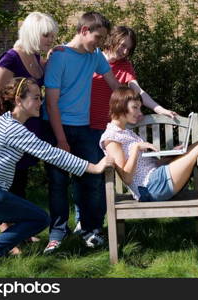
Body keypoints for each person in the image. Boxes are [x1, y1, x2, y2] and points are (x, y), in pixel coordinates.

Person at [0, 77, 113, 273]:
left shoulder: (4, 122)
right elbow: (51, 154)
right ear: (19, 101)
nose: (41, 102)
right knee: (40, 219)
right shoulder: (12, 129)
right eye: (37, 98)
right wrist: (94, 167)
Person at [72, 26, 178, 241]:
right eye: (123, 45)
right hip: (86, 124)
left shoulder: (125, 66)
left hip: (110, 128)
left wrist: (159, 109)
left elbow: (137, 91)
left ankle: (97, 225)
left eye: (129, 48)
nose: (125, 51)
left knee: (103, 178)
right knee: (86, 175)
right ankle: (81, 220)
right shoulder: (92, 58)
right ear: (112, 40)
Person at [99, 86, 198, 225]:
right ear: (120, 106)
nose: (139, 113)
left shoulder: (125, 132)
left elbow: (147, 167)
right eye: (135, 108)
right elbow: (126, 177)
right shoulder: (112, 138)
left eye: (140, 108)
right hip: (150, 188)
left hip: (155, 180)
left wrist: (173, 155)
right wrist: (136, 149)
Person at [42, 11, 124, 253]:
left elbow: (114, 86)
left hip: (85, 128)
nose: (100, 43)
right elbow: (51, 103)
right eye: (97, 37)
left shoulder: (95, 55)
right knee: (58, 183)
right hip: (56, 127)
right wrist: (60, 139)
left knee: (91, 179)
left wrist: (134, 105)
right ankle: (57, 234)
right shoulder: (59, 57)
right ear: (84, 30)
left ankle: (91, 229)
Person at [0, 11, 58, 249]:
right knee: (8, 180)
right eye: (46, 35)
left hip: (31, 131)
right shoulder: (10, 59)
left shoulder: (36, 57)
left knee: (21, 180)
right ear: (32, 34)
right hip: (12, 133)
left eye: (52, 35)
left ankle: (20, 230)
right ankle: (6, 231)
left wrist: (50, 58)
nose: (51, 39)